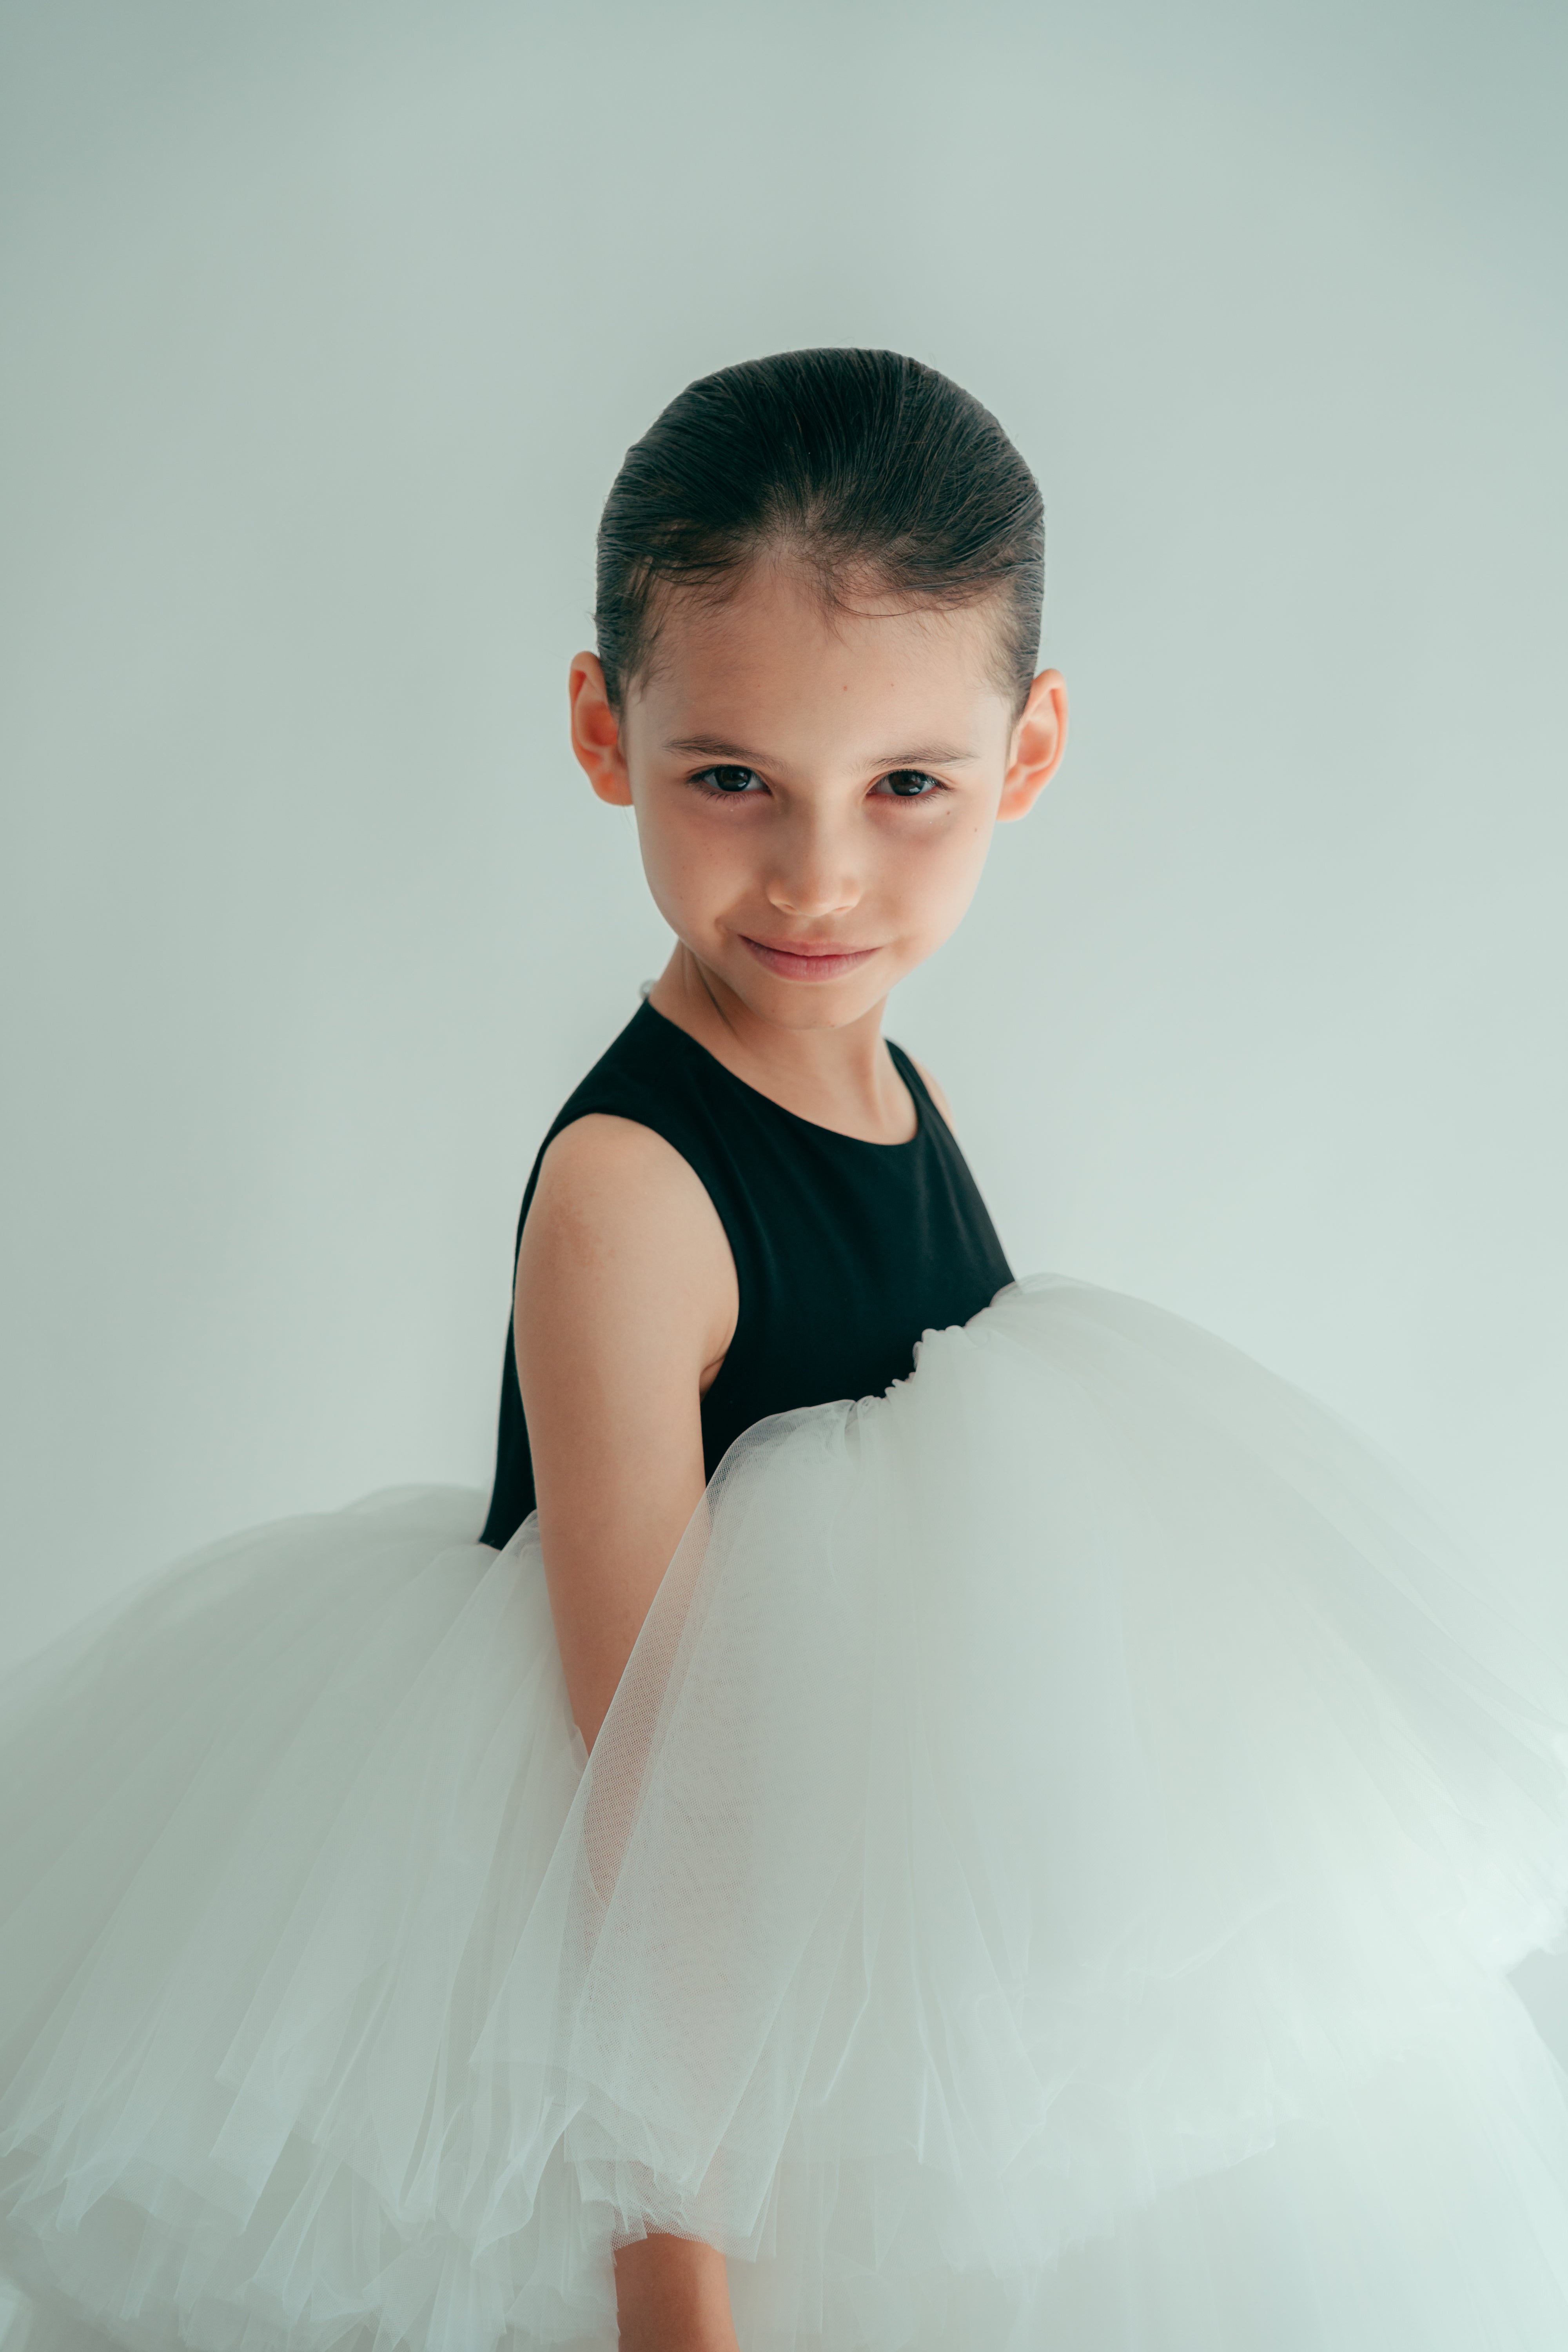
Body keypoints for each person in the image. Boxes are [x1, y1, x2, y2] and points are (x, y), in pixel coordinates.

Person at [4, 348, 1568, 2352]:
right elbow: (650, 1808)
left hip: (867, 1994)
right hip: (684, 2056)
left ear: (1027, 750)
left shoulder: (903, 1094)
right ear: (606, 730)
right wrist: (677, 2299)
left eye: (906, 785)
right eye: (731, 777)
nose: (820, 875)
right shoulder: (629, 1201)